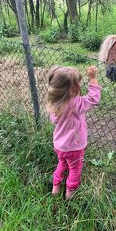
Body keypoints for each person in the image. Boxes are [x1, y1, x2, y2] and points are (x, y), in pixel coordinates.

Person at [46, 65, 102, 200]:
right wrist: (93, 78)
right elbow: (93, 98)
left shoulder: (54, 104)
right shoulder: (77, 104)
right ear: (75, 88)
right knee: (75, 169)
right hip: (74, 147)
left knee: (62, 163)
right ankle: (70, 193)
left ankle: (56, 187)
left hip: (59, 145)